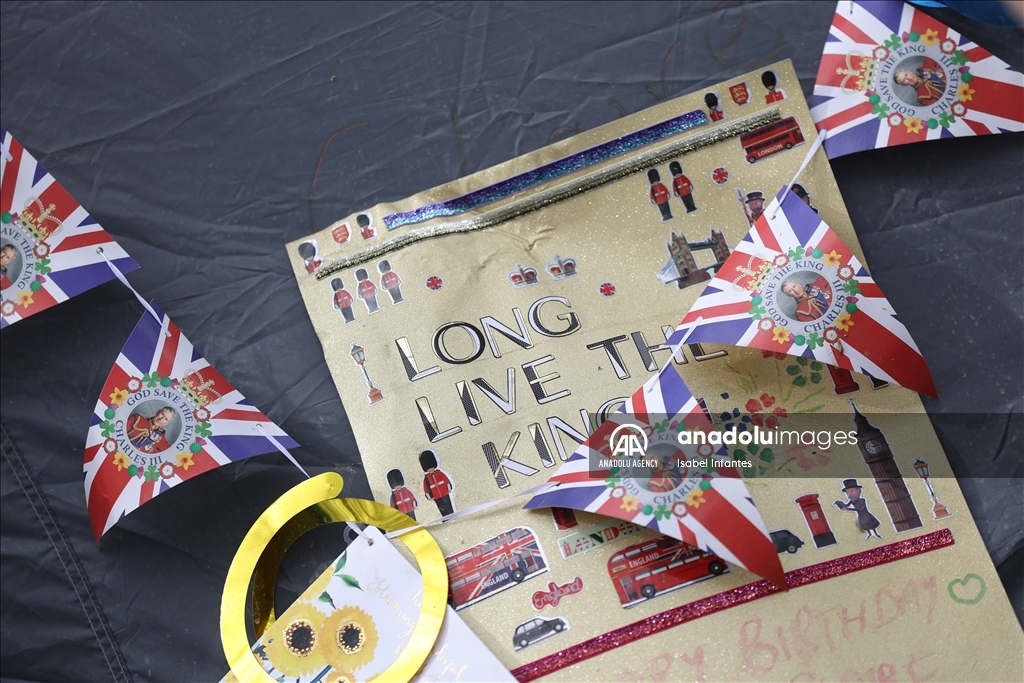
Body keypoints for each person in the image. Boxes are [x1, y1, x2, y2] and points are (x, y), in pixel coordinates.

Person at [420, 448, 455, 516]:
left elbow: (446, 480)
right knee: (442, 509)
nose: (430, 469)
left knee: (449, 507)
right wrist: (429, 497)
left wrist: (449, 489)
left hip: (445, 493)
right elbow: (426, 488)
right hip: (436, 497)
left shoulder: (440, 473)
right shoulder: (427, 479)